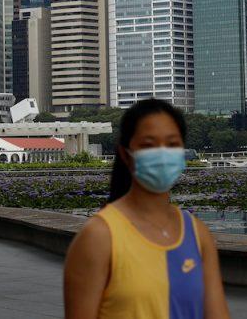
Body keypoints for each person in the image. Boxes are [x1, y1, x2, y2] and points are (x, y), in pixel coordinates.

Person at [63, 99, 230, 319]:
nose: (162, 154)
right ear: (125, 154)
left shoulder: (198, 234)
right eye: (149, 145)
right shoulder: (99, 237)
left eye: (171, 144)